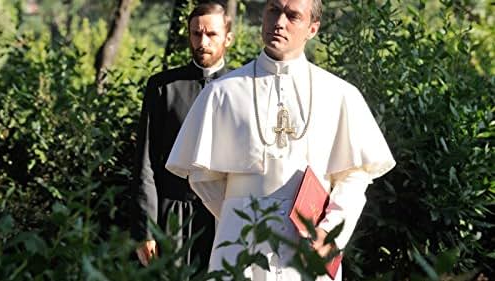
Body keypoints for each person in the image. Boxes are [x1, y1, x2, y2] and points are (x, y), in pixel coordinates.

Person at [165, 0, 396, 280]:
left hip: (310, 244)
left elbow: (354, 177)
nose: (279, 22)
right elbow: (204, 178)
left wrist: (328, 232)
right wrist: (241, 214)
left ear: (312, 28)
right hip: (241, 242)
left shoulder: (339, 95)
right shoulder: (222, 93)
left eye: (292, 15)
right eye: (273, 10)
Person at [130, 1, 233, 269]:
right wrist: (146, 229)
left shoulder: (243, 89)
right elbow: (146, 162)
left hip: (224, 216)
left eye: (211, 34)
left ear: (228, 38)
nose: (202, 41)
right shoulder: (163, 87)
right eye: (196, 33)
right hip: (173, 217)